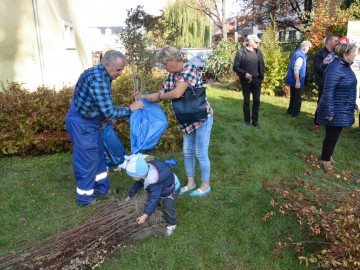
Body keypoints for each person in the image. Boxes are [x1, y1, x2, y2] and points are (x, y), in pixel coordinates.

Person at [66, 50, 144, 205]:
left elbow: (100, 105)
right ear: (107, 65)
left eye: (122, 69)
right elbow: (109, 110)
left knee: (98, 157)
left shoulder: (103, 75)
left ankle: (101, 189)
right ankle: (85, 197)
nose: (121, 73)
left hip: (91, 121)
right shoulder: (98, 79)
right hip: (82, 123)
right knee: (87, 160)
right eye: (118, 70)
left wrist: (106, 118)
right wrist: (130, 108)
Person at [145, 45, 213, 197]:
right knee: (187, 151)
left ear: (174, 59)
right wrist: (143, 97)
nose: (163, 66)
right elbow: (159, 94)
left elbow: (177, 93)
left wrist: (160, 97)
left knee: (200, 152)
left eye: (165, 63)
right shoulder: (172, 76)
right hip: (187, 118)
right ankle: (191, 183)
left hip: (202, 117)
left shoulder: (189, 69)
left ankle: (205, 185)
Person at [317, 43, 359, 172]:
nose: (355, 55)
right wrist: (329, 111)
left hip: (342, 107)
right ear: (345, 54)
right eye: (353, 53)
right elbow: (328, 91)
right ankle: (325, 160)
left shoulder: (344, 66)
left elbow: (349, 89)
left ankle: (328, 156)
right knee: (331, 135)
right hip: (335, 108)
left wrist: (353, 104)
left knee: (334, 134)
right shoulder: (335, 68)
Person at [125, 156, 180, 236]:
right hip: (161, 187)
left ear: (139, 175)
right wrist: (129, 196)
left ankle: (172, 224)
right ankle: (157, 210)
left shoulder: (154, 181)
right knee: (152, 198)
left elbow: (154, 198)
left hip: (171, 189)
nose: (131, 178)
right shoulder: (143, 173)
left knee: (168, 204)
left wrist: (144, 216)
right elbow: (137, 185)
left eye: (132, 176)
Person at [233, 34, 265, 128]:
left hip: (257, 80)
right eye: (256, 42)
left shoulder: (259, 52)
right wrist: (244, 74)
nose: (258, 44)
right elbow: (235, 67)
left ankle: (255, 121)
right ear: (251, 42)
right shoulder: (241, 52)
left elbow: (262, 65)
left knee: (256, 101)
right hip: (246, 81)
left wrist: (261, 77)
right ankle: (247, 121)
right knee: (246, 101)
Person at [312, 35, 339, 131]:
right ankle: (317, 123)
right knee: (322, 102)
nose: (337, 42)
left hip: (335, 82)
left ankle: (332, 122)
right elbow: (317, 68)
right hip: (324, 82)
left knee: (334, 102)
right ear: (328, 42)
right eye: (336, 40)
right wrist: (331, 73)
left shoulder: (336, 53)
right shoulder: (320, 54)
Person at [285, 40, 312, 117]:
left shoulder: (297, 53)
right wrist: (298, 81)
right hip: (296, 80)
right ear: (304, 48)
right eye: (308, 47)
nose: (308, 49)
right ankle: (295, 114)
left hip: (292, 79)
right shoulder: (300, 56)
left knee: (293, 96)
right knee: (297, 97)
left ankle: (290, 111)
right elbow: (296, 69)